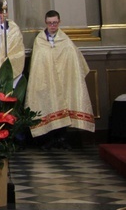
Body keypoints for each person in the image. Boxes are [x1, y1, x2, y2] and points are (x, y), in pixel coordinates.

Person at [26, 10, 95, 149]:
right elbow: (36, 64)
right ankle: (50, 139)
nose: (53, 25)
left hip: (64, 82)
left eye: (55, 23)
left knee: (64, 105)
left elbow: (76, 61)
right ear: (46, 23)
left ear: (59, 22)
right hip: (46, 82)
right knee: (49, 105)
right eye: (50, 23)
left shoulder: (65, 40)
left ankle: (61, 138)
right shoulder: (40, 41)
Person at [0, 2, 25, 87]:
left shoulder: (14, 29)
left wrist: (8, 59)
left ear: (6, 13)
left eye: (1, 13)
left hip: (11, 63)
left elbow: (18, 49)